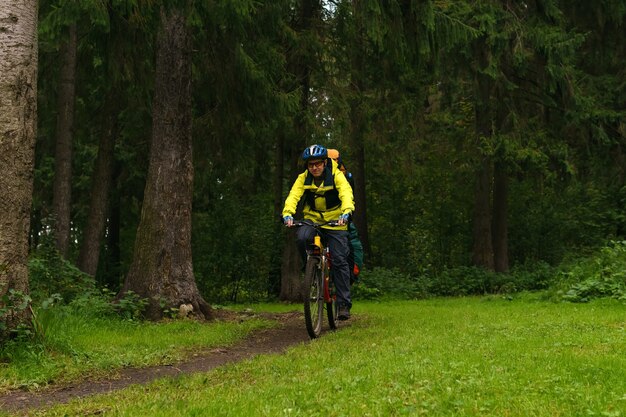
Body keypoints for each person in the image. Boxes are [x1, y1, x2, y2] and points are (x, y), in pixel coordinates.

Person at [282, 144, 355, 320]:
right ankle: (311, 267)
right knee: (301, 237)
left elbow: (346, 193)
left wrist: (346, 212)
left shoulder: (336, 174)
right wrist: (287, 214)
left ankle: (343, 304)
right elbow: (294, 196)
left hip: (336, 221)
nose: (314, 168)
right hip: (313, 218)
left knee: (339, 260)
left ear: (324, 162)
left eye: (318, 164)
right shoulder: (303, 178)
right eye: (310, 165)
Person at [327, 149, 364, 284]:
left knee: (349, 243)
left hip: (343, 217)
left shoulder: (346, 176)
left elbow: (349, 196)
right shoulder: (318, 176)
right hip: (322, 217)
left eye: (335, 160)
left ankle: (348, 277)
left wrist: (346, 214)